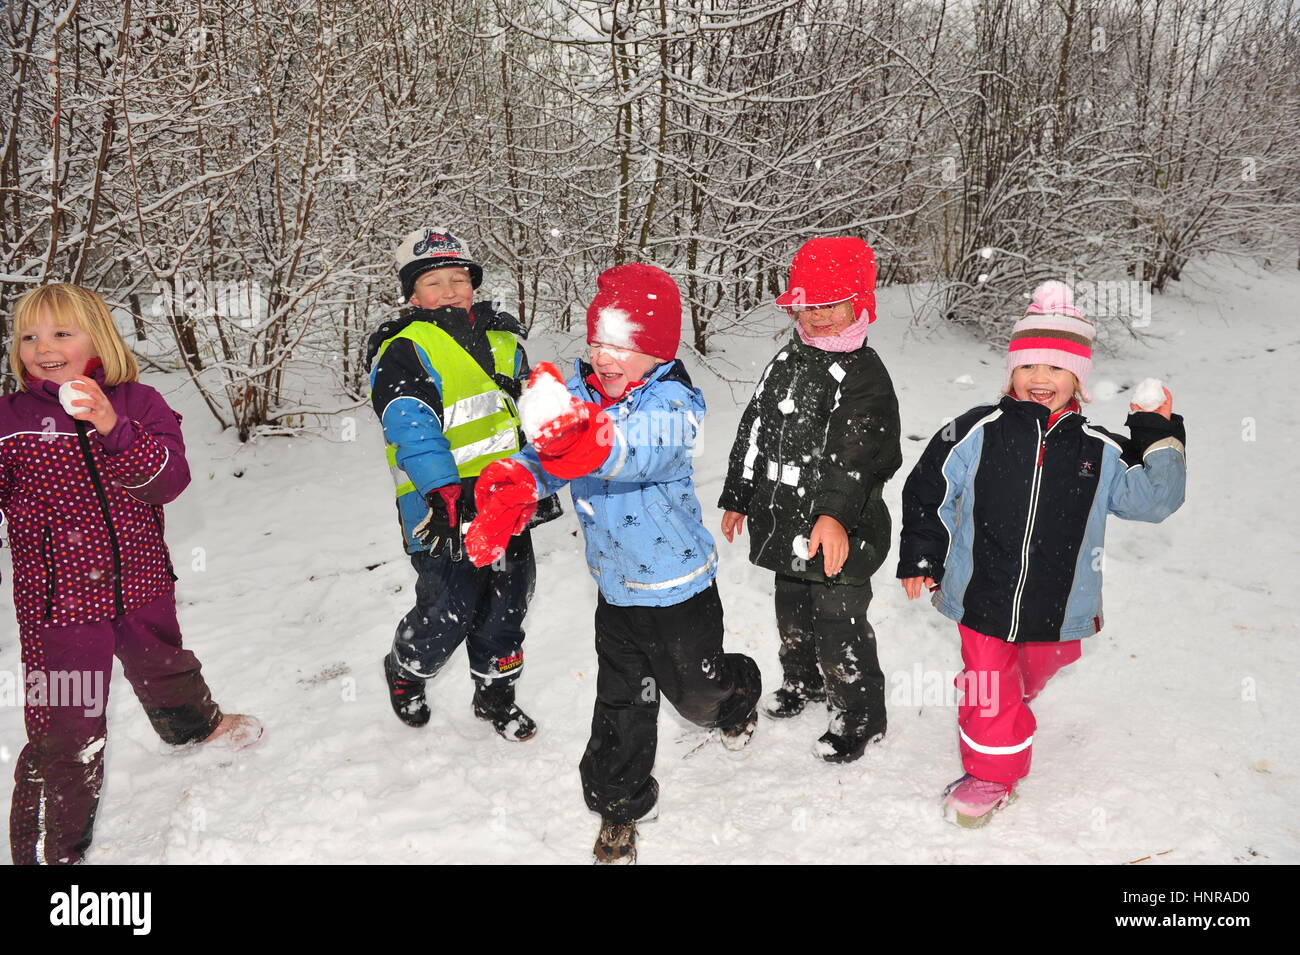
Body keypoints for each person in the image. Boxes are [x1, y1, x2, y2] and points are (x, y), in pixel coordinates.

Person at [465, 263, 761, 864]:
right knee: (623, 701)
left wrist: (584, 441)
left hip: (679, 589)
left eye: (623, 346)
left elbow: (635, 451)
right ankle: (618, 803)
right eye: (598, 341)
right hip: (616, 592)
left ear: (655, 352)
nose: (604, 357)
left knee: (697, 694)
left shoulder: (677, 403)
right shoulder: (579, 395)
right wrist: (519, 480)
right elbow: (553, 453)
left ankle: (738, 694)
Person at [896, 280, 1186, 827]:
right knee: (987, 682)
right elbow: (928, 489)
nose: (1040, 379)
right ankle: (992, 774)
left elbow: (1153, 500)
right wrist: (921, 556)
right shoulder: (976, 429)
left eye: (1055, 369)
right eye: (1028, 367)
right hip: (981, 591)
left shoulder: (1098, 448)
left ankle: (1012, 697)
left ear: (1077, 378)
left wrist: (1156, 432)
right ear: (1011, 373)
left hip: (1059, 602)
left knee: (1034, 667)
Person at [1, 283, 261, 866]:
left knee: (164, 660)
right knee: (67, 731)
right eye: (29, 336)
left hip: (141, 580)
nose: (44, 347)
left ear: (99, 337)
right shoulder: (10, 422)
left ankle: (193, 728)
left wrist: (112, 424)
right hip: (59, 608)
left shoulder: (139, 403)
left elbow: (167, 482)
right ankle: (51, 857)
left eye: (62, 333)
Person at [368, 228, 559, 740]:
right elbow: (410, 423)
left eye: (460, 278)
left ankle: (496, 696)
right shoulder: (404, 349)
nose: (451, 290)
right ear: (413, 295)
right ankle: (408, 669)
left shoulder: (502, 340)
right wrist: (442, 489)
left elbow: (527, 415)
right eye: (435, 282)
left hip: (506, 503)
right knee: (448, 611)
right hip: (443, 511)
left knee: (507, 605)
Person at [718, 237, 902, 763]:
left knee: (838, 624)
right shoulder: (788, 358)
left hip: (840, 531)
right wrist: (740, 493)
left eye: (831, 304)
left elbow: (857, 455)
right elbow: (755, 427)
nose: (818, 316)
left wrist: (833, 516)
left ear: (858, 306)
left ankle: (859, 712)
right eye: (808, 304)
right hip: (784, 522)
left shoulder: (863, 375)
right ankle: (803, 681)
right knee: (792, 614)